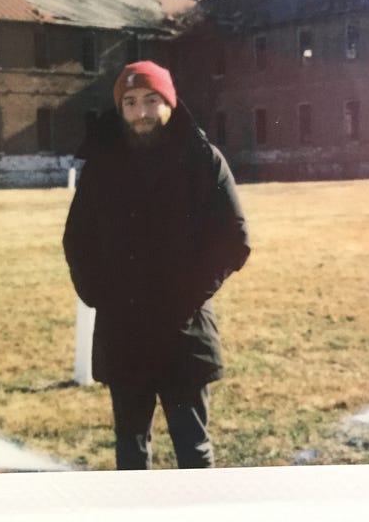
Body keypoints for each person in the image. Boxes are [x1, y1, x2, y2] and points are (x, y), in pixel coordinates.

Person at [62, 60, 251, 470]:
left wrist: (184, 296)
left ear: (170, 102)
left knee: (193, 448)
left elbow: (233, 240)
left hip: (183, 330)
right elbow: (76, 239)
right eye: (129, 102)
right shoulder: (102, 166)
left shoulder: (203, 159)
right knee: (130, 449)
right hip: (122, 330)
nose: (141, 112)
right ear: (120, 109)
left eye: (151, 100)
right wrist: (97, 294)